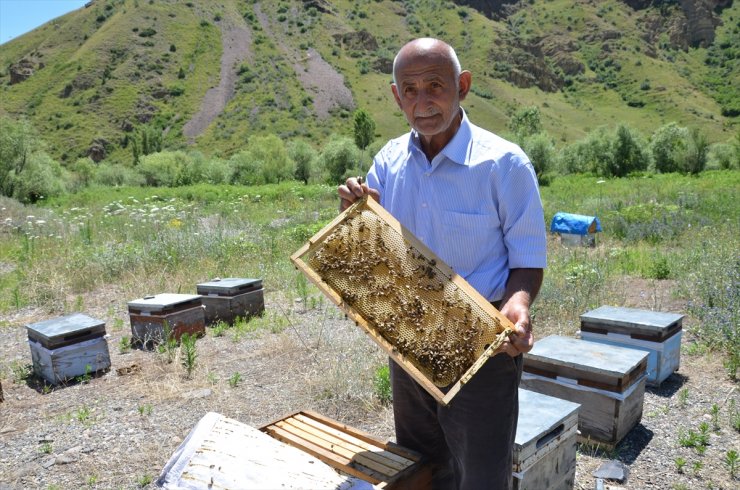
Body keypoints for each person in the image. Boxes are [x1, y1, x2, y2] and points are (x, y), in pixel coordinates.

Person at [338, 38, 546, 489]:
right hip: (410, 334)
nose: (422, 101)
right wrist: (353, 213)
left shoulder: (504, 164)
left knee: (481, 474)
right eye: (409, 90)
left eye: (435, 85)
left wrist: (518, 304)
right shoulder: (388, 163)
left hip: (481, 342)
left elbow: (528, 259)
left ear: (462, 86)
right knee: (421, 464)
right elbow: (371, 250)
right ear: (396, 97)